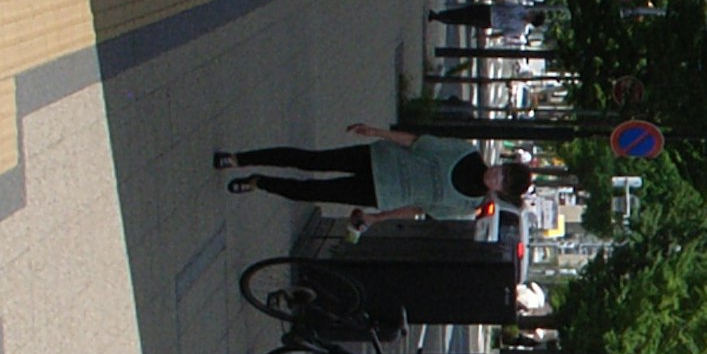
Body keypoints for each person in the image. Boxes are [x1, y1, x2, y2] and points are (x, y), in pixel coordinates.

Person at [217, 125, 530, 222]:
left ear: (501, 193)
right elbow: (417, 142)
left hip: (381, 194)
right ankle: (239, 159)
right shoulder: (465, 152)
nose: (496, 176)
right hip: (376, 159)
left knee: (312, 192)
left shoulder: (466, 207)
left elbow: (418, 209)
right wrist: (376, 131)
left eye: (502, 181)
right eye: (502, 170)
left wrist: (375, 218)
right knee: (310, 161)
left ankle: (259, 182)